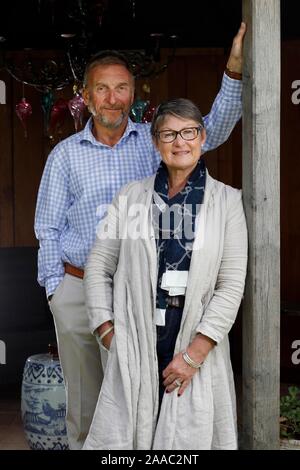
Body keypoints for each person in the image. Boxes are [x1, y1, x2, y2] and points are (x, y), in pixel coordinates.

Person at [34, 23, 246, 449]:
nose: (113, 98)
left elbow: (211, 128)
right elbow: (47, 228)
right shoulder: (65, 156)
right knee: (88, 404)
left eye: (122, 88)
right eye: (102, 89)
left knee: (140, 403)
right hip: (80, 286)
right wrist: (57, 291)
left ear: (134, 92)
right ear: (87, 95)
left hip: (140, 293)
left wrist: (235, 71)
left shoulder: (154, 141)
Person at [83, 97, 248, 450]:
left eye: (188, 132)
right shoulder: (130, 197)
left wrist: (195, 354)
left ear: (202, 138)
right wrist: (107, 331)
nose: (180, 142)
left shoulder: (228, 202)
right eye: (169, 134)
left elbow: (230, 285)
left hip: (193, 336)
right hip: (137, 336)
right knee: (128, 438)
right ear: (156, 142)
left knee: (188, 437)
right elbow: (98, 265)